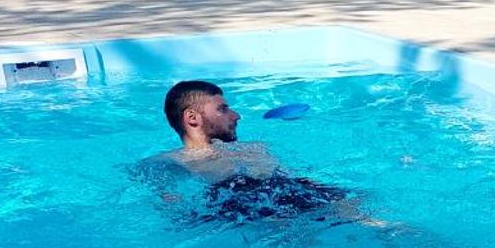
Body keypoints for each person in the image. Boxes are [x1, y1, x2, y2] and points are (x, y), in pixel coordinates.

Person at [154, 80, 363, 223]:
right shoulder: (169, 164)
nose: (236, 116)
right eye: (222, 109)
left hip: (287, 194)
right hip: (245, 207)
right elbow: (176, 210)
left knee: (357, 202)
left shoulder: (254, 149)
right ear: (192, 118)